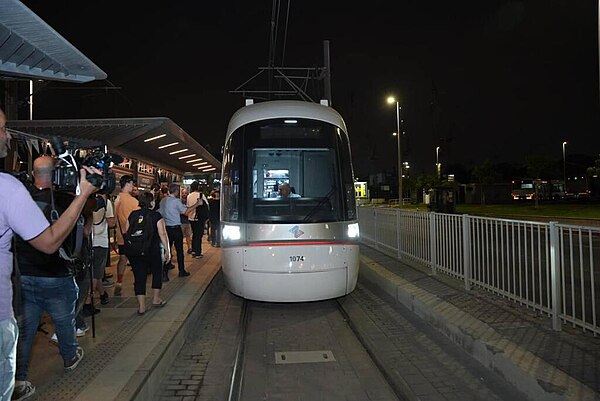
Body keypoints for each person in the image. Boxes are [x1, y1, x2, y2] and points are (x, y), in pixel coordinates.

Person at [0, 108, 100, 401]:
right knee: (64, 320)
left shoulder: (22, 192)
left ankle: (21, 377)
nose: (8, 136)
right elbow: (52, 241)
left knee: (28, 328)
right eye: (4, 128)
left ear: (34, 174)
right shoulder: (9, 189)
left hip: (26, 278)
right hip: (54, 277)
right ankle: (69, 357)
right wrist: (83, 195)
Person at [125, 192, 170, 314]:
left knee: (139, 277)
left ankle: (142, 307)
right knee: (157, 273)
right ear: (151, 202)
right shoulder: (156, 216)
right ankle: (156, 299)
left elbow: (127, 231)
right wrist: (167, 250)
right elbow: (162, 233)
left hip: (135, 252)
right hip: (152, 250)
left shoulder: (132, 215)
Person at [159, 183, 202, 278]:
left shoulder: (163, 201)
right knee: (179, 251)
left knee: (167, 250)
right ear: (176, 191)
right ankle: (181, 271)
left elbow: (160, 213)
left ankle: (164, 273)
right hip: (176, 228)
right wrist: (197, 204)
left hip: (167, 229)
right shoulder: (176, 201)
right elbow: (185, 212)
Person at [113, 175, 139, 296]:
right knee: (136, 260)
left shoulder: (117, 199)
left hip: (120, 235)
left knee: (123, 259)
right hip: (132, 236)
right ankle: (138, 283)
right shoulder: (133, 201)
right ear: (127, 183)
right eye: (132, 184)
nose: (133, 186)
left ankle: (119, 282)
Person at [186, 181, 209, 258]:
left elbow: (188, 206)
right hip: (199, 218)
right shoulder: (201, 195)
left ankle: (193, 250)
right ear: (198, 187)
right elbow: (206, 205)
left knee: (194, 234)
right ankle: (197, 252)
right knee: (198, 235)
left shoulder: (189, 196)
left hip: (191, 218)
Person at [179, 187, 193, 254]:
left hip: (188, 221)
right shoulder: (179, 201)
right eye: (183, 193)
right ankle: (180, 248)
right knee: (180, 236)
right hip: (181, 221)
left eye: (185, 193)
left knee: (188, 235)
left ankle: (189, 248)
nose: (184, 194)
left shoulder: (189, 201)